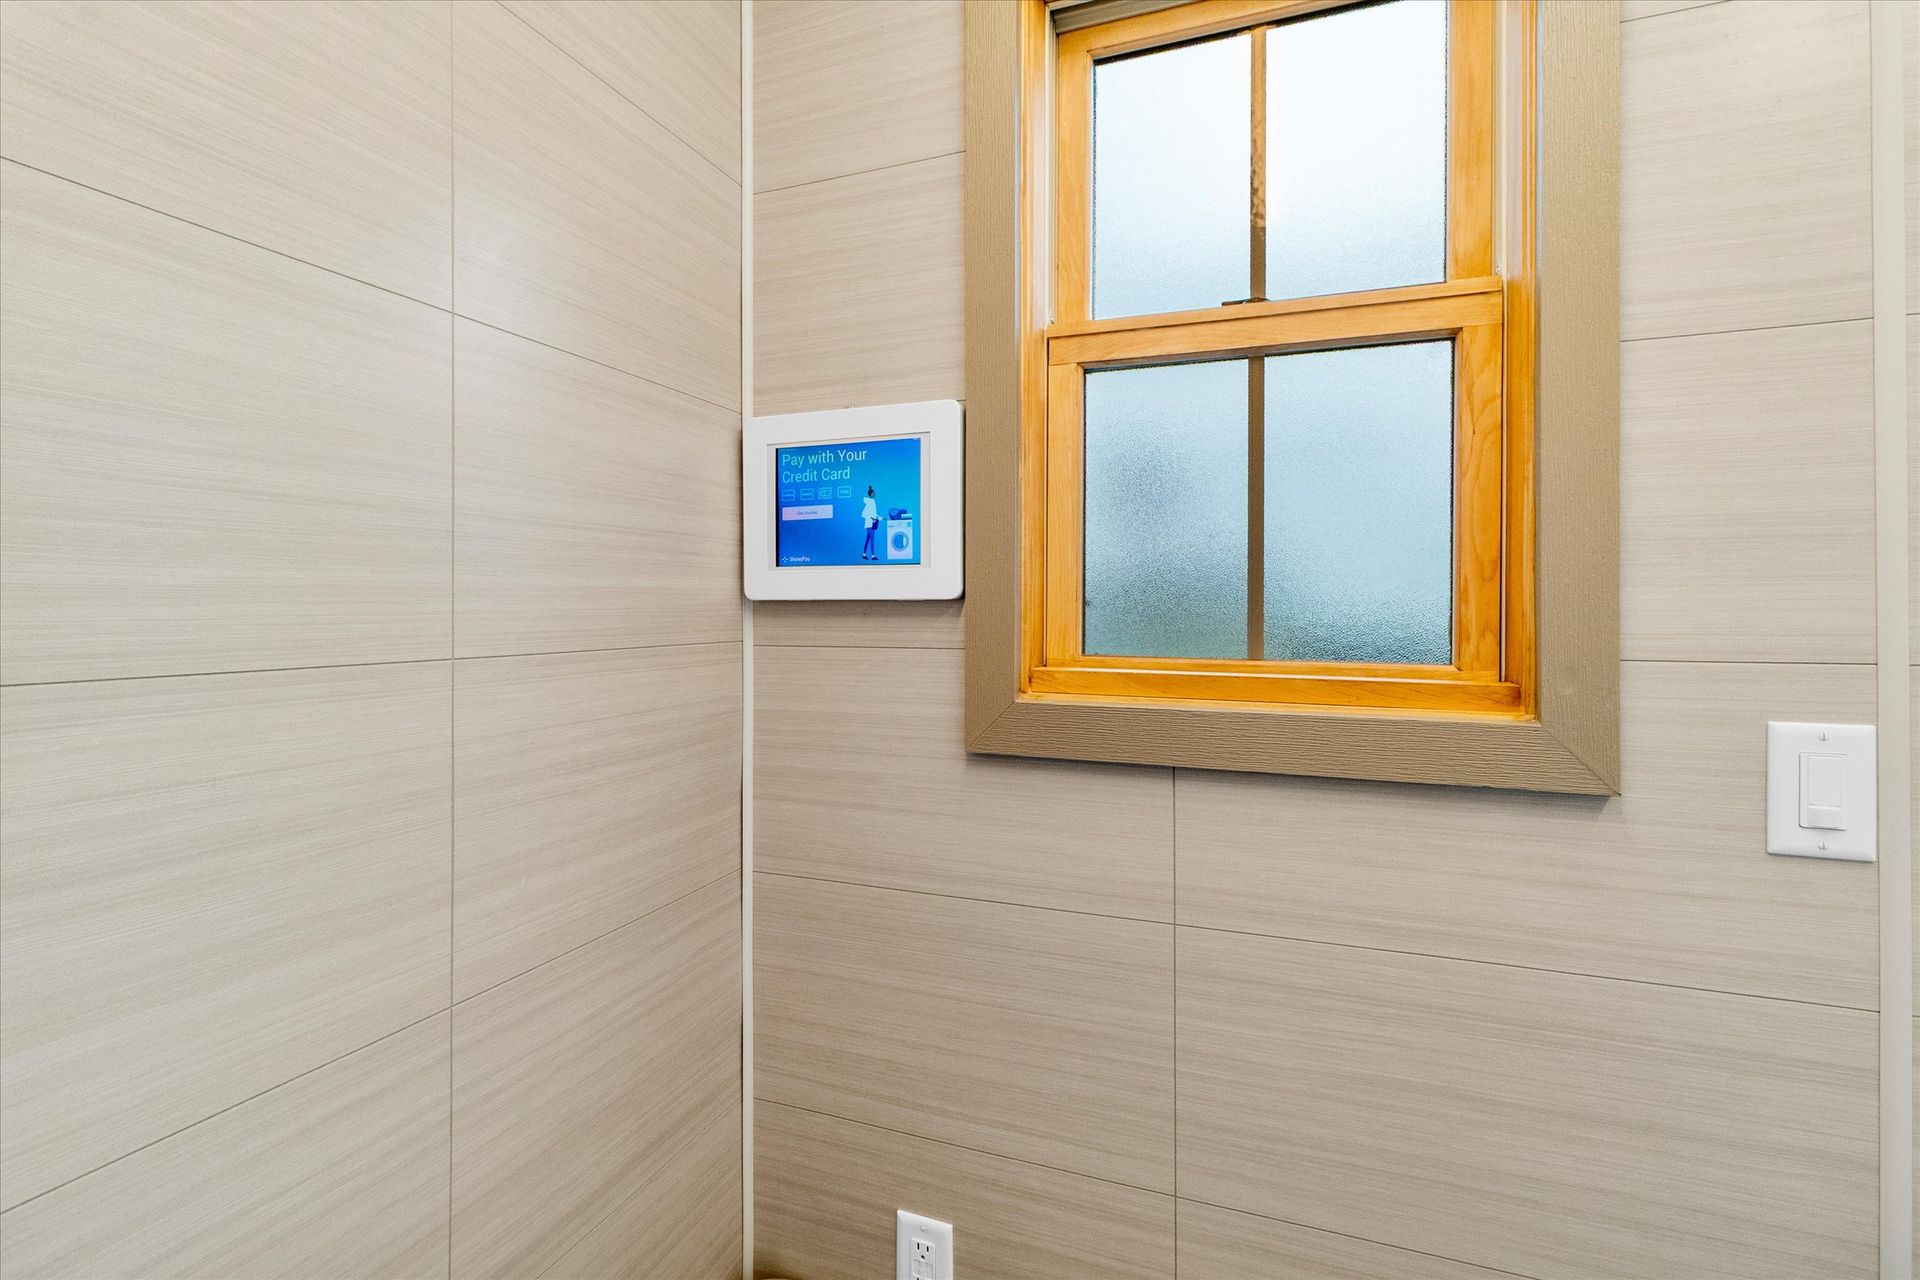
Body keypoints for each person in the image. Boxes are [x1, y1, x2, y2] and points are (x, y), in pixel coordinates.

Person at [860, 486, 879, 560]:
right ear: (871, 494)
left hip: (871, 523)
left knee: (868, 538)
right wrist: (871, 518)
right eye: (873, 493)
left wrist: (881, 518)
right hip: (870, 523)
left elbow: (874, 514)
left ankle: (864, 554)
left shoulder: (872, 502)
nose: (874, 494)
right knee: (872, 539)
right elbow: (863, 514)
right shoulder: (870, 502)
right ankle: (873, 555)